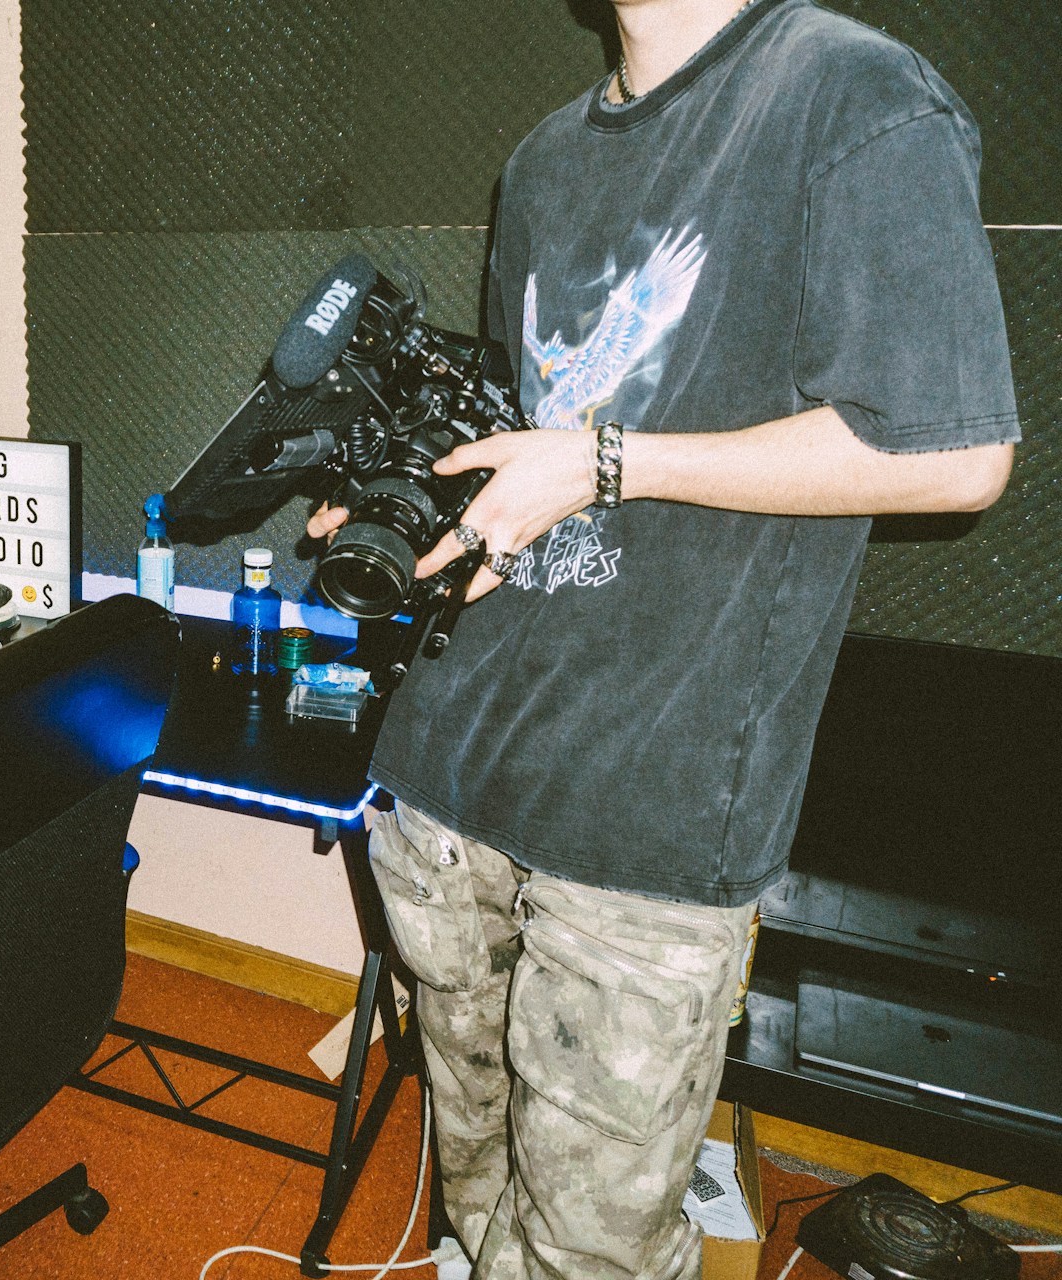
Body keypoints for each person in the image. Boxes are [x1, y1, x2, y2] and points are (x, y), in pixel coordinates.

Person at [310, 1, 1018, 1276]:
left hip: (647, 819)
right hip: (450, 777)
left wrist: (605, 463)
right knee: (480, 1192)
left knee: (593, 1250)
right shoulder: (539, 161)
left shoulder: (851, 94)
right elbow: (538, 427)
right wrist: (418, 489)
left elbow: (955, 451)